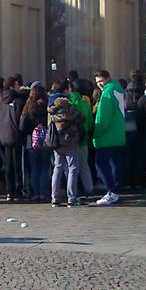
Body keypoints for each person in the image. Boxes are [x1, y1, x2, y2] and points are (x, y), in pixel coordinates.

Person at [92, 70, 126, 206]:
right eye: (97, 82)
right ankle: (115, 189)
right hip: (118, 133)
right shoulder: (118, 90)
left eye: (101, 81)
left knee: (101, 163)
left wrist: (96, 132)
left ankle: (111, 191)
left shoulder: (107, 93)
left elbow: (103, 117)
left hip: (107, 136)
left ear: (108, 78)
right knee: (115, 164)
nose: (100, 84)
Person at [49, 96, 85, 206]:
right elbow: (82, 118)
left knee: (57, 169)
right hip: (71, 142)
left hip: (57, 144)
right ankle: (72, 198)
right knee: (73, 169)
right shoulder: (71, 110)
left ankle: (55, 198)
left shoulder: (52, 112)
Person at [19, 84, 50, 202]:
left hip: (31, 142)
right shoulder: (47, 105)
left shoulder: (28, 106)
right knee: (44, 168)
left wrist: (30, 132)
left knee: (35, 168)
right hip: (46, 141)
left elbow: (22, 127)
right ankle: (43, 192)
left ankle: (35, 193)